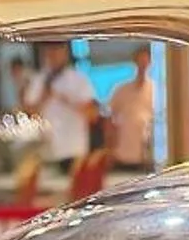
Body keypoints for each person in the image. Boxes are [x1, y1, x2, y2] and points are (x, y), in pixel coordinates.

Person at [22, 41, 99, 176]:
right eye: (50, 51)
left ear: (65, 53)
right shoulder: (38, 80)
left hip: (73, 150)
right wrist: (44, 97)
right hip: (47, 150)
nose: (53, 55)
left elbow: (92, 114)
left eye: (57, 51)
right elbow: (28, 113)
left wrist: (66, 99)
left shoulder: (79, 80)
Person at [107, 45, 156, 174]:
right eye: (140, 61)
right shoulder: (121, 90)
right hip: (124, 152)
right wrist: (110, 149)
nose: (142, 65)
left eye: (145, 62)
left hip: (148, 153)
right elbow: (109, 118)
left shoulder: (156, 90)